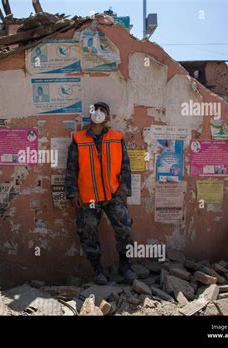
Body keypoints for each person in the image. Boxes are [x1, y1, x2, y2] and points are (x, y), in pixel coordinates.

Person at [65, 101, 137, 284]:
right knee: (87, 231)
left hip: (113, 195)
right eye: (94, 110)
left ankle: (125, 266)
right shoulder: (79, 138)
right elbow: (71, 168)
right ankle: (98, 271)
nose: (98, 113)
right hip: (88, 197)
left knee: (125, 229)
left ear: (108, 116)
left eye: (102, 111)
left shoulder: (117, 137)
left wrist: (123, 191)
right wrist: (73, 194)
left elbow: (125, 166)